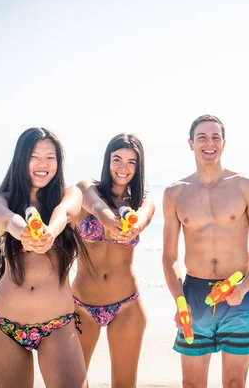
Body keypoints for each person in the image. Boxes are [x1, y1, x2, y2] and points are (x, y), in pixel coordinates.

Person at [162, 114, 249, 388]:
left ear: (224, 143)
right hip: (194, 295)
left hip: (239, 294)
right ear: (191, 143)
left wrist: (245, 286)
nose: (209, 143)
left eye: (215, 137)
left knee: (235, 382)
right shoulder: (175, 192)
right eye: (202, 137)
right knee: (191, 383)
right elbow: (169, 257)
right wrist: (180, 300)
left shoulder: (246, 185)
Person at [0, 127, 89, 388]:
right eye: (34, 156)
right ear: (21, 159)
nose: (43, 164)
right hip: (6, 326)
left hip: (58, 325)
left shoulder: (69, 195)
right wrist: (23, 233)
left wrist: (50, 232)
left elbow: (65, 212)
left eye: (50, 157)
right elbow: (6, 219)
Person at [73, 133, 155, 387]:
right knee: (72, 382)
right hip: (81, 305)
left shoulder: (143, 201)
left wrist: (134, 227)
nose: (123, 167)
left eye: (131, 162)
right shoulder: (85, 189)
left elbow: (141, 220)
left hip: (127, 306)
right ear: (107, 161)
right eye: (117, 159)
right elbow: (96, 206)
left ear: (138, 167)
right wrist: (110, 220)